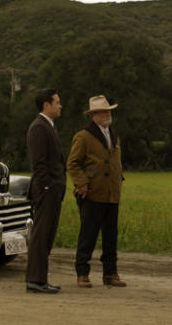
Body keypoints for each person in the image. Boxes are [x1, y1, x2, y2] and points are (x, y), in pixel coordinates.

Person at [67, 95, 127, 288]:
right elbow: (73, 163)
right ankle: (82, 273)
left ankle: (110, 273)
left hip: (111, 193)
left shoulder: (113, 133)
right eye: (104, 111)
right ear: (94, 115)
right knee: (88, 235)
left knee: (111, 236)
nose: (108, 113)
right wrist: (81, 183)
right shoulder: (83, 136)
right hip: (92, 193)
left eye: (109, 110)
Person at [25, 88, 66, 294]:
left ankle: (40, 279)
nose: (60, 106)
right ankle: (35, 280)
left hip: (53, 190)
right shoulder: (39, 128)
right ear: (46, 105)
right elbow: (39, 164)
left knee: (47, 235)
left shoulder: (49, 126)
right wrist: (48, 187)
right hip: (46, 191)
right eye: (57, 102)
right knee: (41, 236)